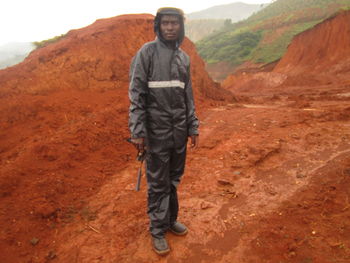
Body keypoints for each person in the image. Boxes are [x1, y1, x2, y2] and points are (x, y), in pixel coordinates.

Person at [128, 7, 199, 255]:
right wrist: (137, 131)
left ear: (181, 27)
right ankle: (157, 230)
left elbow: (188, 96)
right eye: (166, 23)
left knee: (173, 179)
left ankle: (169, 221)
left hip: (179, 131)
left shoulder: (184, 59)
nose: (170, 27)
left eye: (175, 23)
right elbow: (137, 94)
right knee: (158, 183)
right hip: (156, 133)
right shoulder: (146, 53)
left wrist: (193, 126)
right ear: (158, 26)